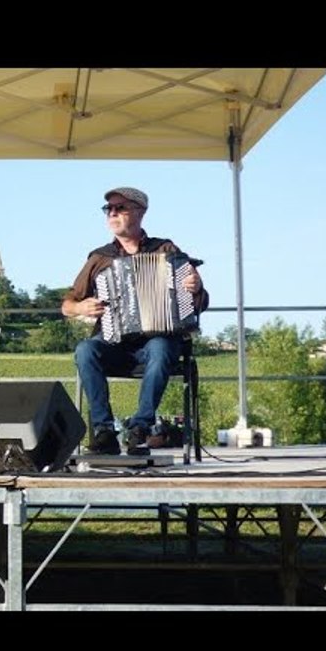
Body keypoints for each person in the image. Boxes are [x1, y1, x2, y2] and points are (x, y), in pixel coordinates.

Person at [61, 187, 208, 456]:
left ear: (140, 212)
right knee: (85, 350)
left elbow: (200, 302)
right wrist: (81, 306)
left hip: (156, 344)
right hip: (115, 343)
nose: (112, 214)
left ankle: (140, 429)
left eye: (120, 208)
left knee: (162, 347)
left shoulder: (166, 250)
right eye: (109, 210)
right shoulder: (100, 257)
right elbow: (67, 304)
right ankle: (104, 431)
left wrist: (195, 287)